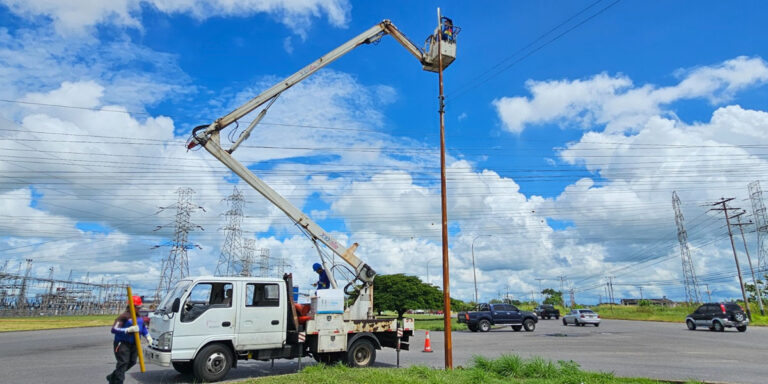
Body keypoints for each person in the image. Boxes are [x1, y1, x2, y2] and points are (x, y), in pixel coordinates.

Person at [107, 295, 152, 384]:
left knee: (132, 362)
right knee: (123, 363)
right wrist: (127, 330)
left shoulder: (138, 316)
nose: (139, 309)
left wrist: (147, 336)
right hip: (122, 344)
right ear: (132, 306)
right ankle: (118, 382)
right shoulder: (124, 316)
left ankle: (113, 376)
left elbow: (142, 327)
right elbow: (114, 329)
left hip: (134, 344)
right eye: (137, 307)